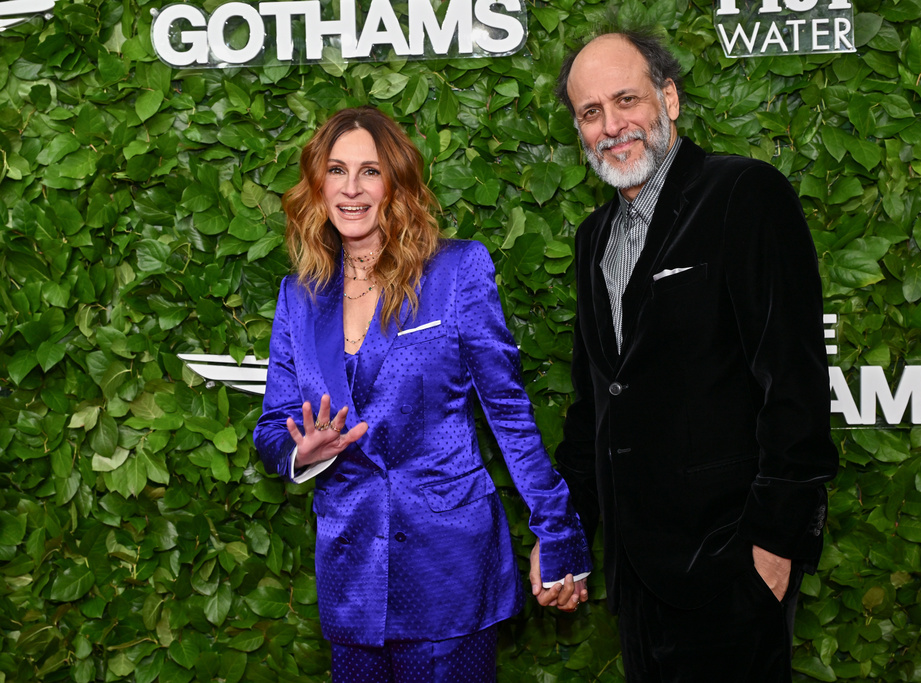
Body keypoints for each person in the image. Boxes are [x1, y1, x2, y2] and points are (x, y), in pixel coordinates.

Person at [252, 106, 591, 683]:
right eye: (337, 170)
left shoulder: (456, 271)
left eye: (370, 171)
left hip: (449, 566)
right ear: (318, 183)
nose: (352, 188)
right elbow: (273, 423)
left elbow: (508, 414)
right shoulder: (299, 295)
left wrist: (557, 532)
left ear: (397, 183)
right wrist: (298, 453)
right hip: (351, 568)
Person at [546, 30, 840, 681]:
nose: (611, 125)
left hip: (731, 568)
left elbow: (794, 383)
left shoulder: (744, 194)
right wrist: (566, 535)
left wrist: (774, 546)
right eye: (590, 112)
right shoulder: (594, 238)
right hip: (639, 581)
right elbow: (597, 405)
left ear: (669, 97)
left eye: (626, 99)